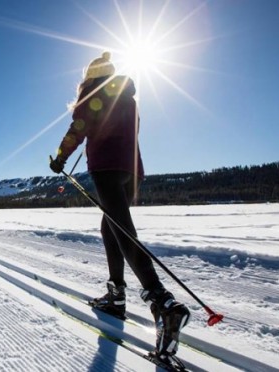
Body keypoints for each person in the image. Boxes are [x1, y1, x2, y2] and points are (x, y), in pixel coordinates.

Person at [49, 52, 190, 363]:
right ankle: (116, 296)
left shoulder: (93, 93)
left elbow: (78, 129)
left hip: (107, 167)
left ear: (90, 76)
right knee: (111, 225)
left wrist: (60, 158)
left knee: (123, 230)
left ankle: (162, 303)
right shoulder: (129, 97)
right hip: (131, 171)